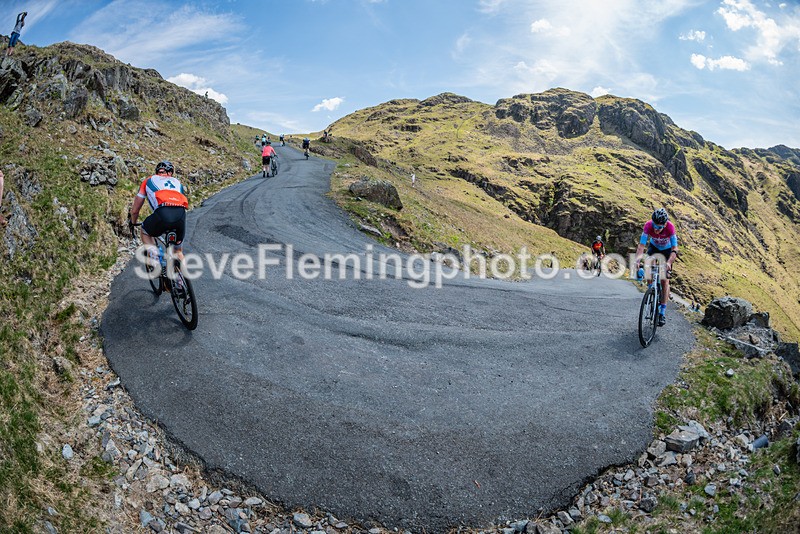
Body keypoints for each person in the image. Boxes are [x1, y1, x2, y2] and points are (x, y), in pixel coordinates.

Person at [129, 161, 189, 272]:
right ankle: (183, 279)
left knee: (145, 230)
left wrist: (133, 222)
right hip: (180, 215)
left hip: (163, 214)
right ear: (170, 173)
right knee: (178, 252)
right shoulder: (177, 183)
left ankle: (156, 261)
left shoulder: (148, 180)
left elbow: (135, 210)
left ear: (157, 172)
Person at [634, 208, 678, 326]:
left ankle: (662, 312)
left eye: (659, 227)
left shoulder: (670, 227)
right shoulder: (648, 226)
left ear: (665, 225)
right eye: (654, 225)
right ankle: (651, 290)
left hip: (667, 250)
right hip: (654, 248)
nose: (656, 229)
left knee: (664, 280)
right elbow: (641, 246)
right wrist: (637, 260)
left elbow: (675, 249)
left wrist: (669, 262)